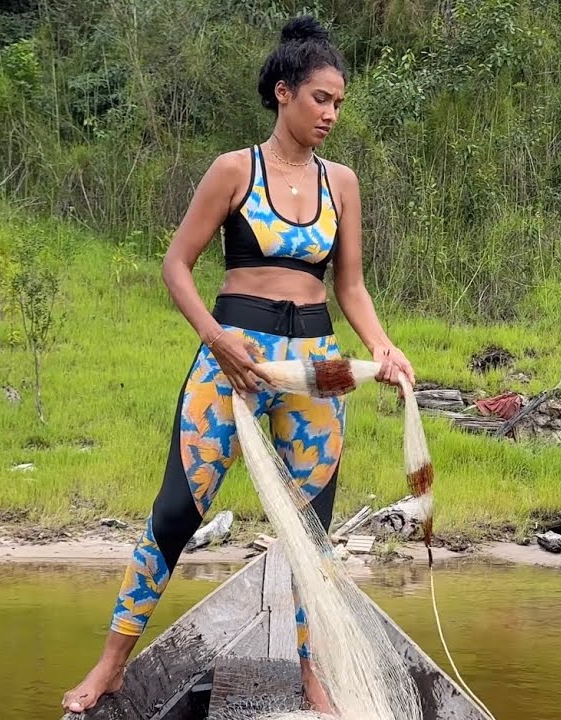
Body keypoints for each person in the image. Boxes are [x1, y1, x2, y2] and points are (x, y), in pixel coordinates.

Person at [62, 14, 415, 716]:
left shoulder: (341, 183)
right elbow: (176, 266)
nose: (332, 114)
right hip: (234, 359)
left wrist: (382, 347)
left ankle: (314, 678)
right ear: (283, 93)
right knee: (173, 515)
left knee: (311, 537)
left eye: (340, 103)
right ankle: (109, 666)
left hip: (315, 367)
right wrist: (216, 338)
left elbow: (351, 288)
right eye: (321, 98)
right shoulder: (234, 170)